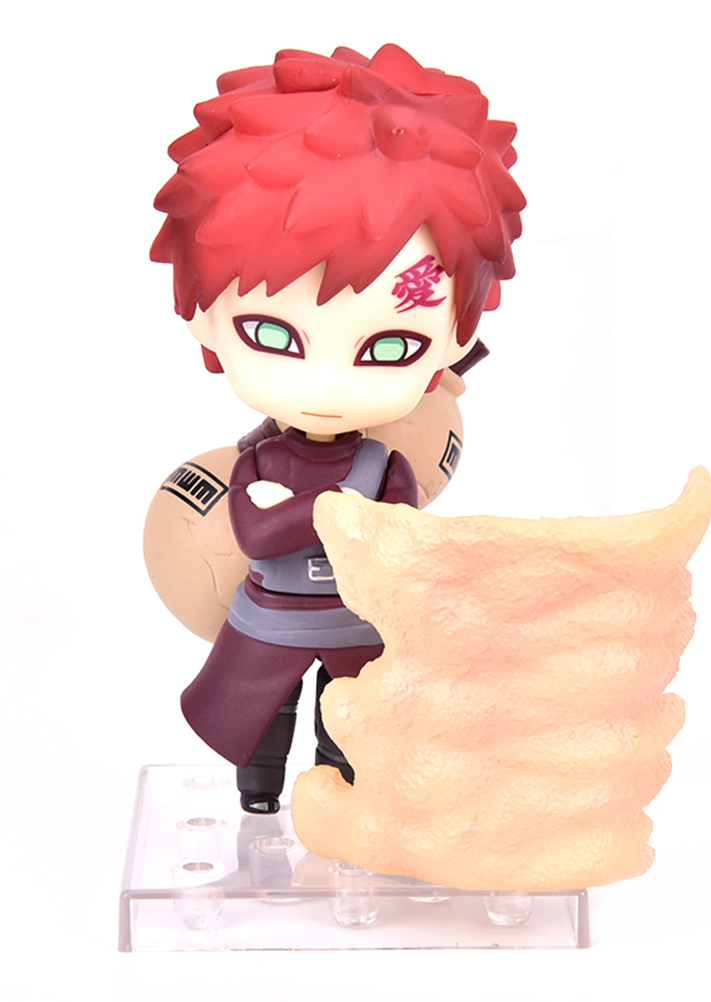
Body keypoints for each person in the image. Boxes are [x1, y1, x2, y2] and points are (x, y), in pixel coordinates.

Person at [151, 43, 525, 812]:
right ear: (201, 316)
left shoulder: (385, 467)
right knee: (263, 718)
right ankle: (260, 800)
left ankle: (340, 804)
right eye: (273, 334)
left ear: (454, 341)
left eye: (389, 347)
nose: (325, 387)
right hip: (271, 622)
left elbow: (399, 539)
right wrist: (337, 514)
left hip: (359, 625)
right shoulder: (261, 461)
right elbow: (256, 536)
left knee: (349, 727)